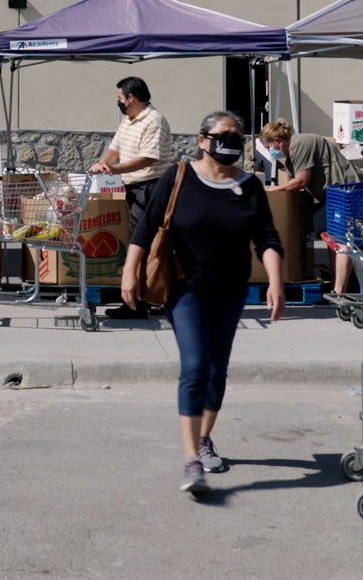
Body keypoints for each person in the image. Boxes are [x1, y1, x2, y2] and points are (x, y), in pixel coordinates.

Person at [121, 111, 285, 495]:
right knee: (195, 367)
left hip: (230, 291)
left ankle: (205, 437)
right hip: (185, 290)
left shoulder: (250, 187)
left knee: (217, 372)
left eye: (237, 135)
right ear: (201, 139)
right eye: (223, 134)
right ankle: (191, 458)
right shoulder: (179, 177)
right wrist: (130, 271)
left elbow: (268, 239)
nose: (231, 140)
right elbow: (145, 227)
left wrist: (276, 282)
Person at [89, 76, 172, 320]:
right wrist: (103, 164)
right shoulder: (129, 121)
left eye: (120, 98)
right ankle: (155, 297)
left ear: (131, 98)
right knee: (146, 244)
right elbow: (115, 148)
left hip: (151, 188)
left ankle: (138, 303)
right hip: (135, 188)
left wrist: (116, 169)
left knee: (143, 244)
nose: (119, 102)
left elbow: (149, 158)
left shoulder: (154, 120)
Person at [256, 120, 363, 295]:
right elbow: (294, 186)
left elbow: (300, 181)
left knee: (341, 241)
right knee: (332, 241)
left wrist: (270, 190)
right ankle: (338, 286)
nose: (270, 152)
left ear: (278, 141)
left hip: (346, 191)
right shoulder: (291, 159)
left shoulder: (300, 144)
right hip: (332, 196)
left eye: (269, 147)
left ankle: (339, 290)